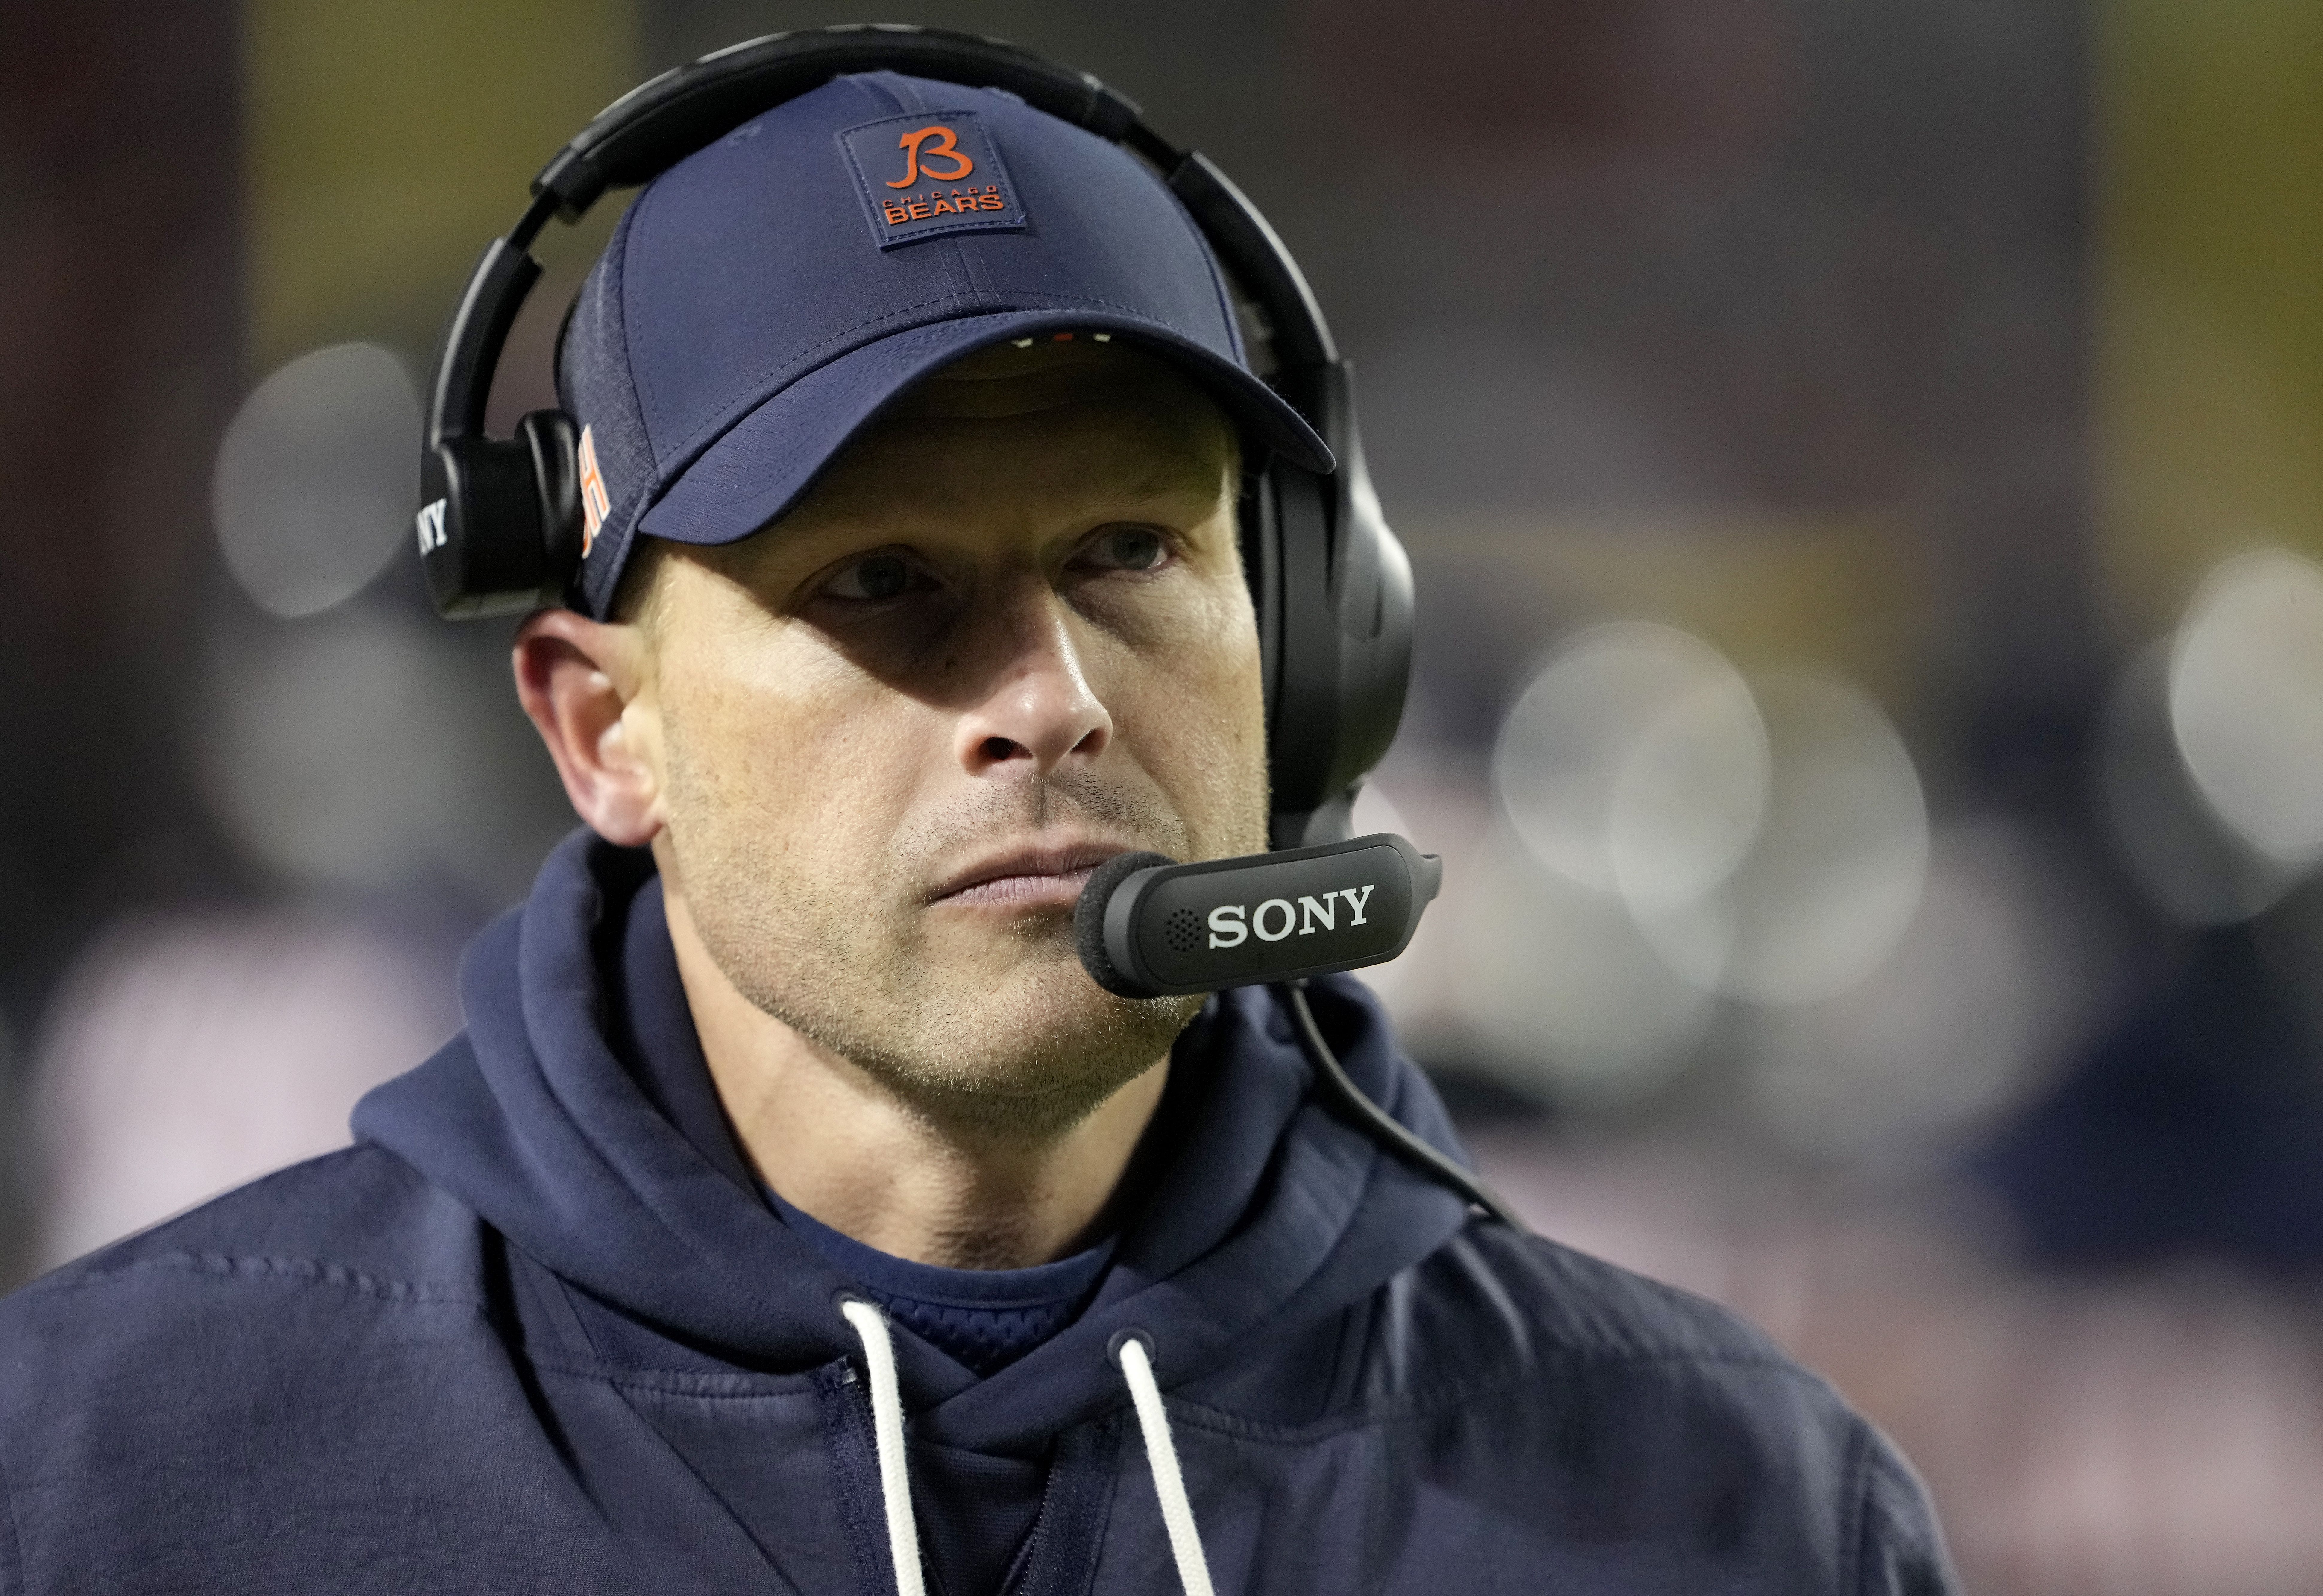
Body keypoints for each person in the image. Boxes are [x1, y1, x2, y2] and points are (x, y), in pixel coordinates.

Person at [0, 35, 1956, 1596]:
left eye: (1128, 551)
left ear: (1313, 642)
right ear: (605, 733)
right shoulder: (110, 1476)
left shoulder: (1740, 1507)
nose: (1053, 699)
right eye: (880, 585)